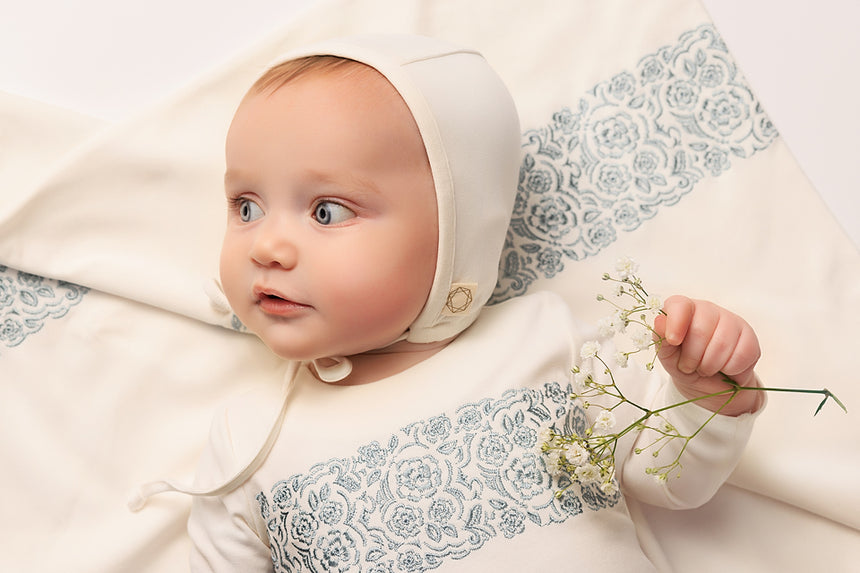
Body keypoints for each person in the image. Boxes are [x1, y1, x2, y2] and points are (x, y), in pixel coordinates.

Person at [186, 34, 763, 572]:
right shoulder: (249, 441)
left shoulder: (543, 343)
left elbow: (670, 480)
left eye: (326, 211)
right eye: (246, 207)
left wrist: (703, 393)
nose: (265, 245)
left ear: (455, 233)